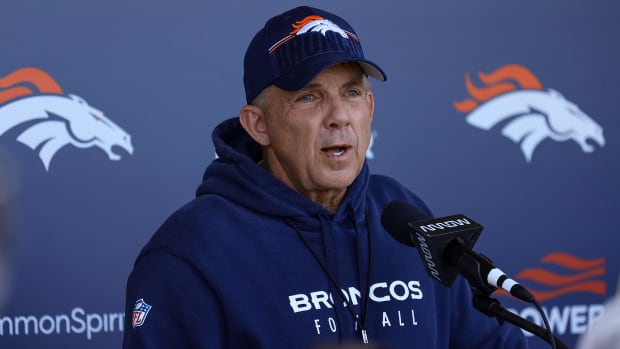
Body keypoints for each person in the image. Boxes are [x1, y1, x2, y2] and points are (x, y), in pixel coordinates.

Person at [123, 6, 528, 348]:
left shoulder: (403, 214)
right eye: (309, 96)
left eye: (351, 93)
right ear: (258, 125)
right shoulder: (191, 251)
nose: (338, 116)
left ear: (369, 108)